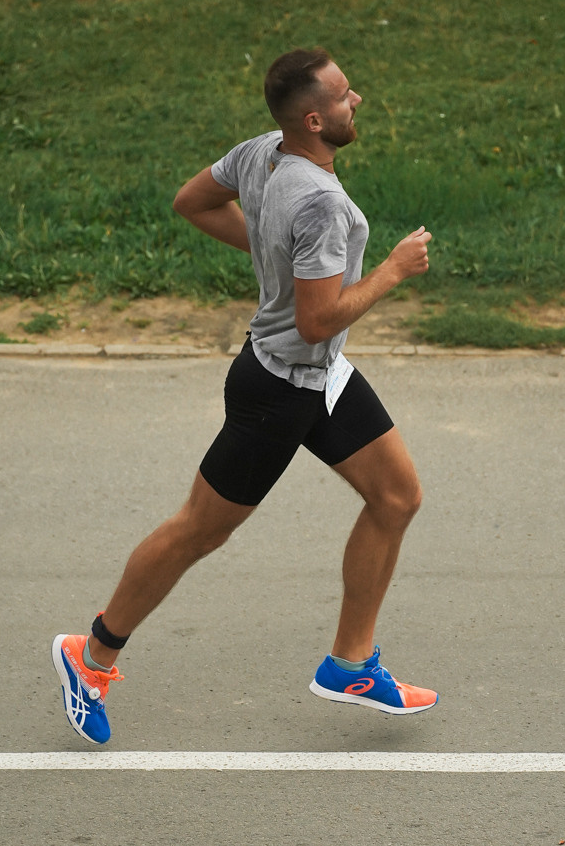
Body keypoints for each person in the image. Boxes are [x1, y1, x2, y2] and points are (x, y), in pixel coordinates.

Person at [52, 46, 438, 745]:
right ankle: (93, 653)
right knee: (200, 529)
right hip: (280, 389)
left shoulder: (261, 151)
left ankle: (350, 663)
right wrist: (390, 272)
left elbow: (191, 202)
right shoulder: (321, 204)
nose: (360, 103)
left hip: (318, 375)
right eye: (347, 97)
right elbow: (316, 319)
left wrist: (272, 257)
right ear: (316, 119)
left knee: (396, 496)